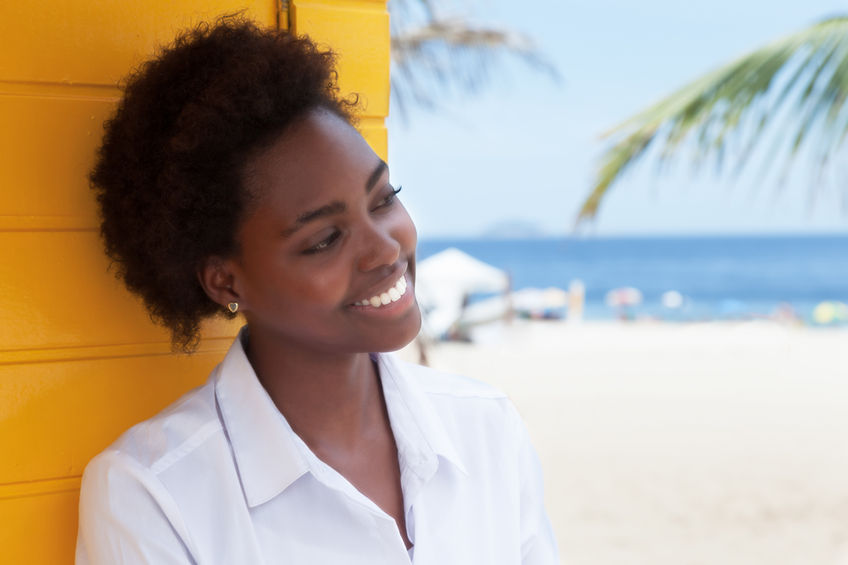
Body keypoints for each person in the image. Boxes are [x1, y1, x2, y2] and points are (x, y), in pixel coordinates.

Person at [76, 17, 558, 565]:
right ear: (225, 280)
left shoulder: (486, 430)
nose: (385, 249)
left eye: (383, 198)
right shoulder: (154, 495)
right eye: (326, 238)